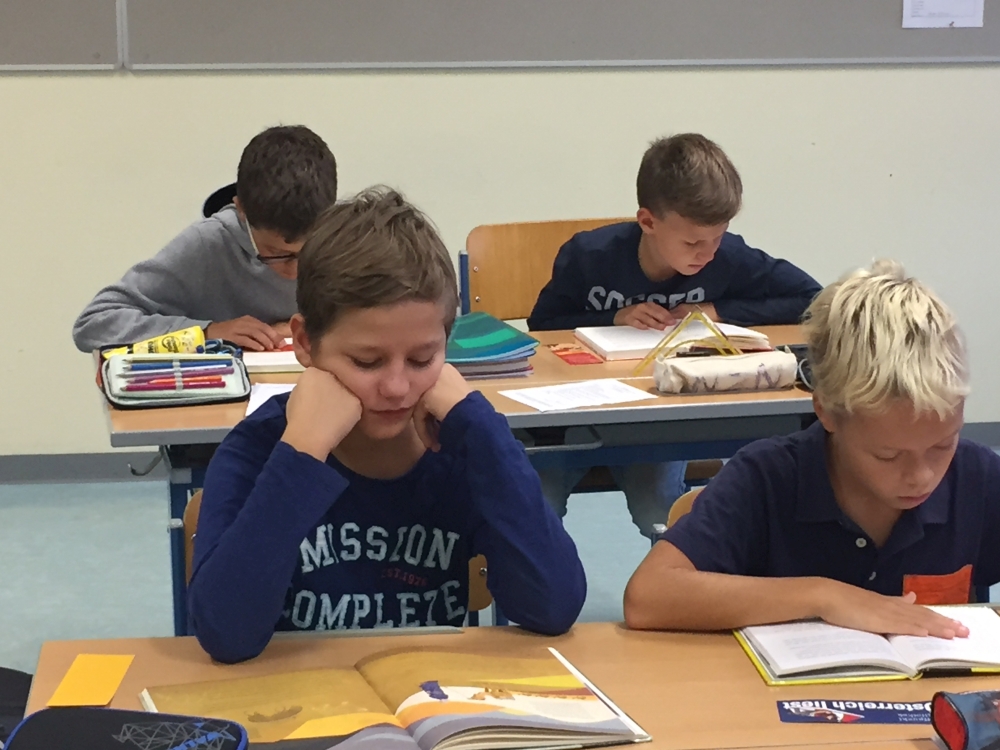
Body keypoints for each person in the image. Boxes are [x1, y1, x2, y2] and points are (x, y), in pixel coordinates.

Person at [188, 188, 587, 663]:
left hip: (431, 694)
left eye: (422, 359)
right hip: (301, 694)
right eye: (367, 361)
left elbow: (554, 607)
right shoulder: (257, 449)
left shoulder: (463, 444)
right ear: (305, 342)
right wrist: (303, 451)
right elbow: (226, 636)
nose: (397, 388)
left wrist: (481, 428)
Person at [623, 260, 1000, 638]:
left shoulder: (978, 478)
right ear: (826, 412)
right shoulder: (767, 478)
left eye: (942, 445)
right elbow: (648, 597)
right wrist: (823, 596)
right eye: (888, 455)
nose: (921, 476)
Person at [527, 133, 821, 537]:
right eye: (693, 242)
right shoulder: (589, 256)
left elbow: (812, 297)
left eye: (717, 237)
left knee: (658, 507)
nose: (707, 253)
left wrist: (719, 311)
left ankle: (675, 575)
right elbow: (543, 324)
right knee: (536, 505)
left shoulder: (728, 258)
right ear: (648, 222)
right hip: (578, 416)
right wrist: (613, 317)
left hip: (657, 419)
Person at [72, 125, 337, 353]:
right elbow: (94, 324)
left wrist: (310, 329)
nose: (294, 271)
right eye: (275, 253)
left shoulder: (340, 242)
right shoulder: (206, 245)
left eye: (306, 252)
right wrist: (206, 332)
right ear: (241, 210)